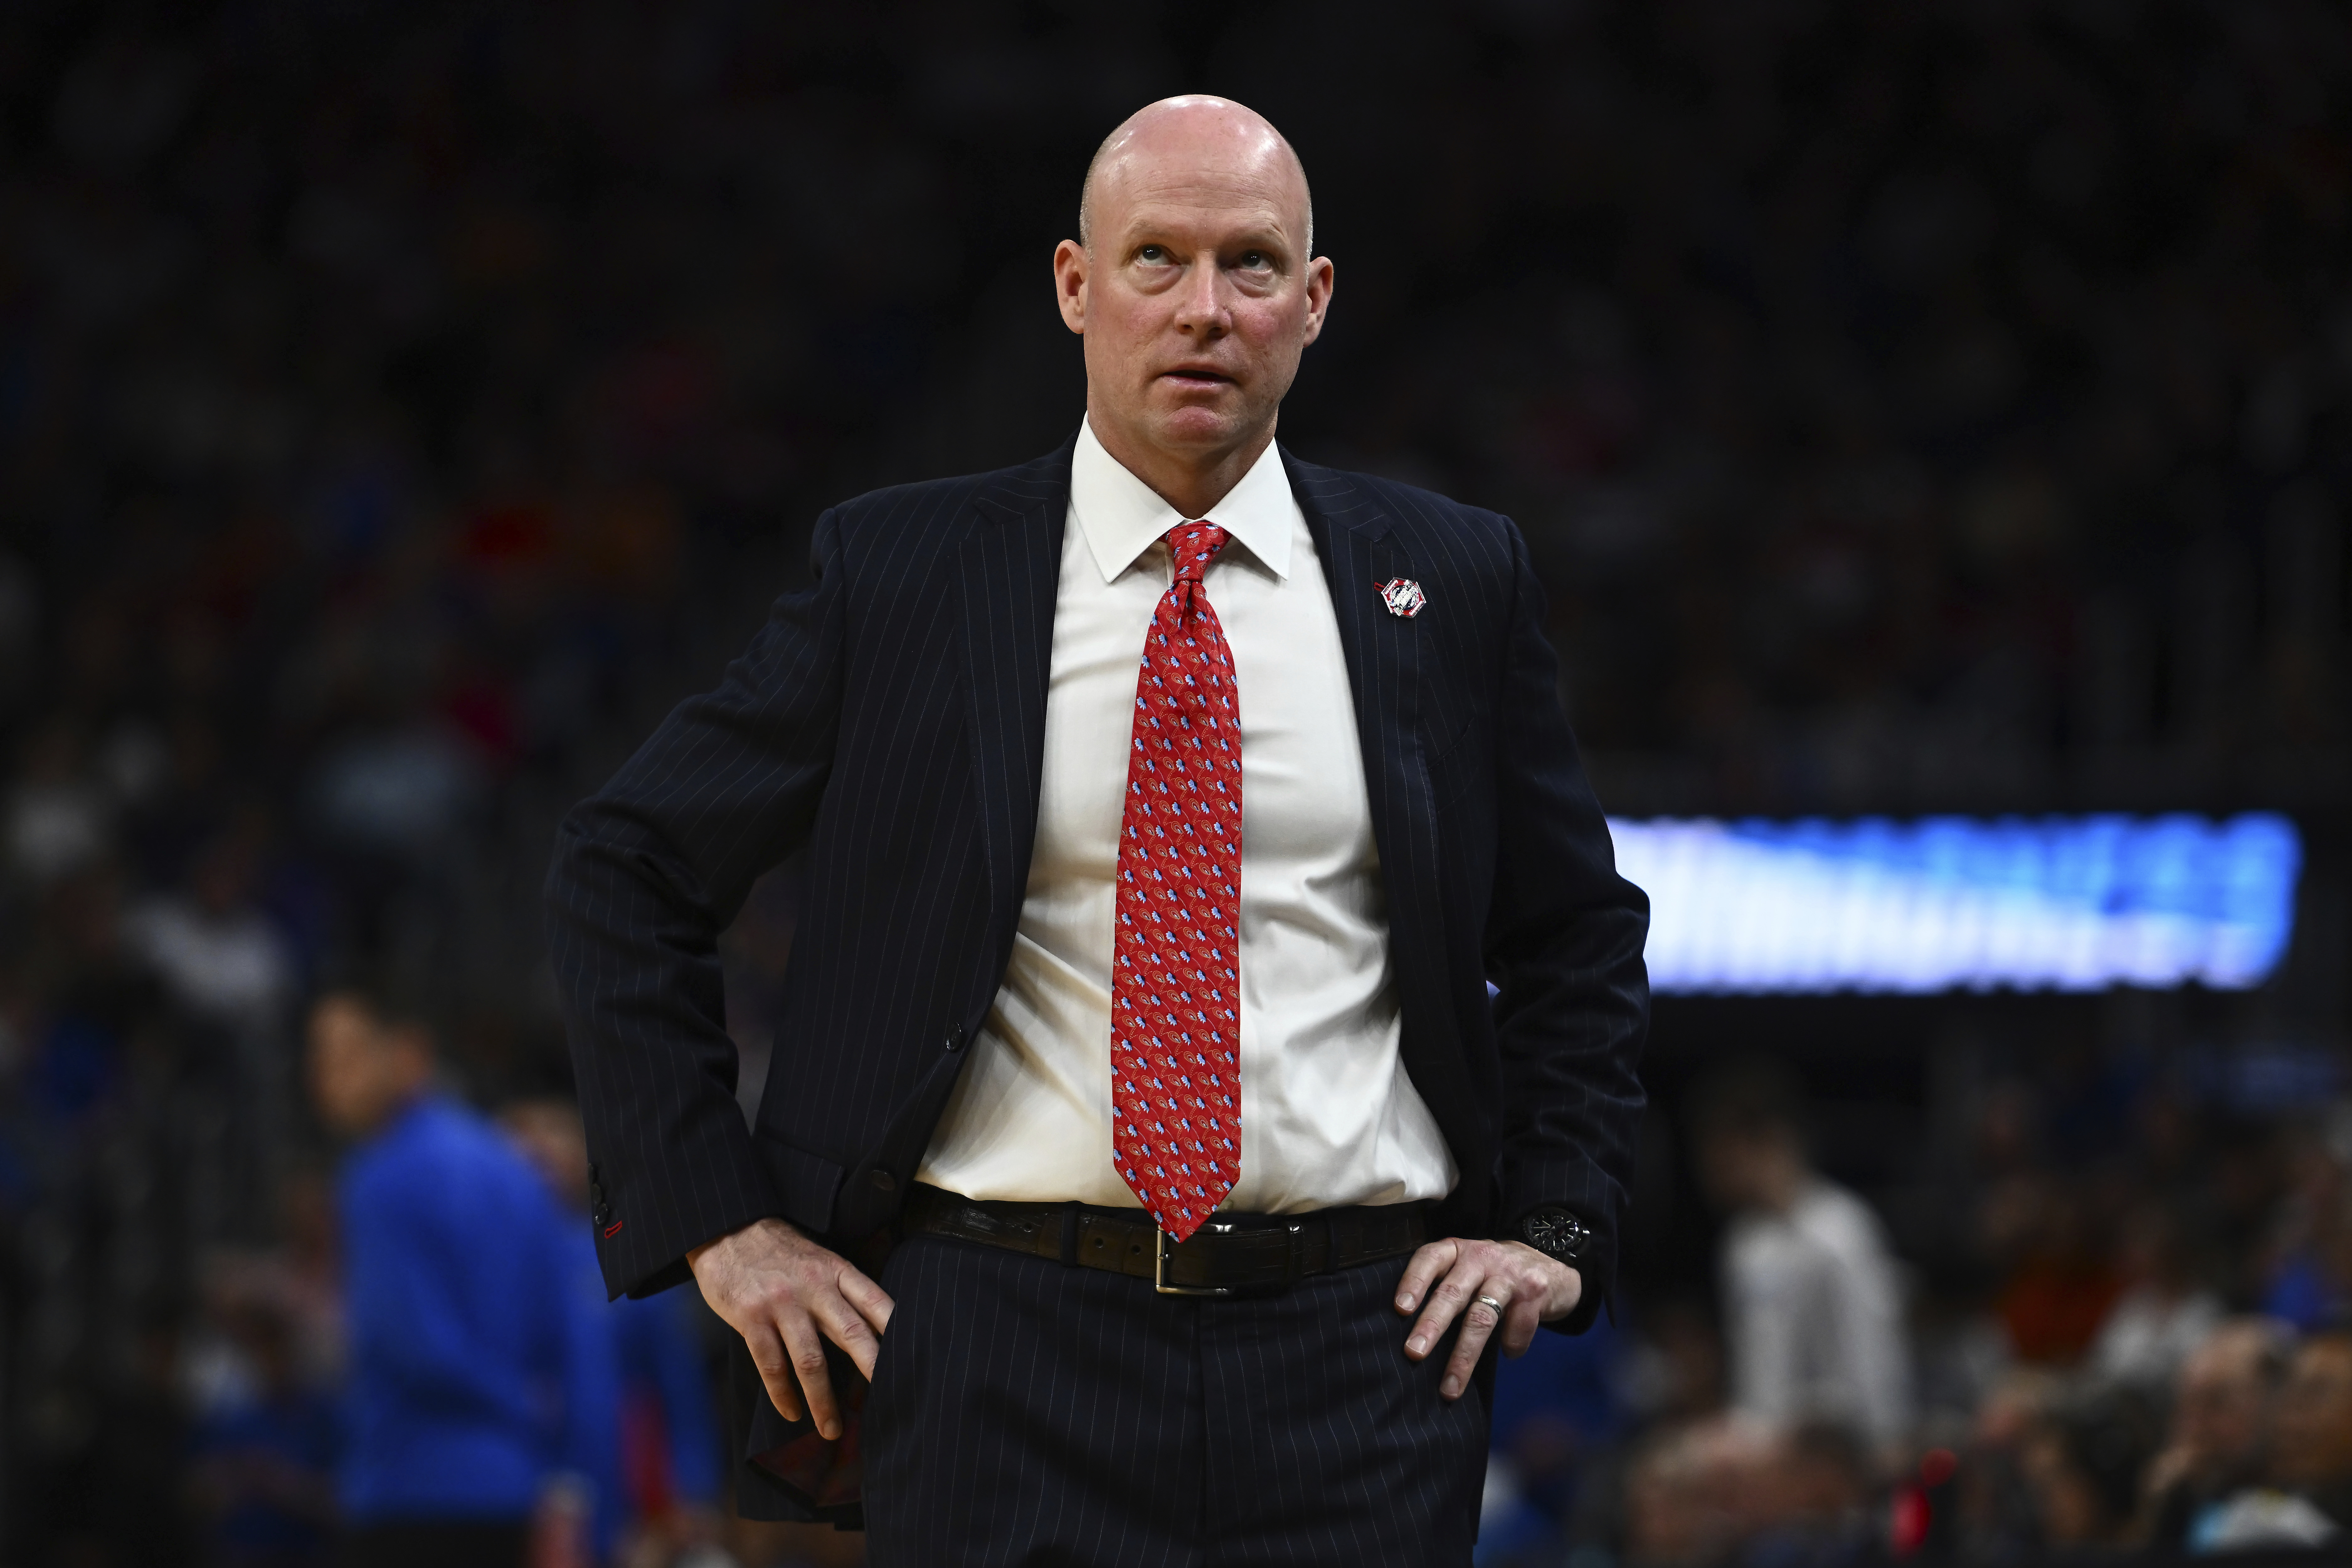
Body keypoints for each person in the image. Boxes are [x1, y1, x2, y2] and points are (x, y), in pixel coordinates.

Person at [545, 93, 1649, 1564]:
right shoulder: (902, 572)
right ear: (1075, 285)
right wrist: (718, 1222)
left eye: (1251, 265)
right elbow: (624, 867)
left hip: (1363, 1356)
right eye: (1156, 260)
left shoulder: (1452, 577)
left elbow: (1576, 933)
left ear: (1313, 301)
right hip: (996, 1345)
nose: (1205, 310)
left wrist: (1558, 1223)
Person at [306, 982, 599, 1568]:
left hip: (409, 1491)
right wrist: (557, 1455)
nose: (326, 1078)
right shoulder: (516, 1172)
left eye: (349, 1054)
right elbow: (570, 1340)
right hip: (514, 1488)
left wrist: (509, 1405)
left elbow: (412, 1346)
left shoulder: (375, 1177)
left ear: (409, 1052)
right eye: (319, 1057)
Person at [1689, 1057, 1911, 1452]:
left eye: (1724, 1154)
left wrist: (1882, 1443)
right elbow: (1755, 1374)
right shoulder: (1744, 1243)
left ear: (1767, 1141)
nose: (1712, 1172)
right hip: (1767, 1450)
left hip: (1838, 1449)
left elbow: (1872, 1360)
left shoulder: (1840, 1231)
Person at [2143, 1316, 2294, 1549]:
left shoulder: (2295, 1520)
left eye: (2216, 1404)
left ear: (2275, 1406)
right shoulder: (2183, 1495)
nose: (2194, 1427)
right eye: (2185, 1406)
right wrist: (2158, 1510)